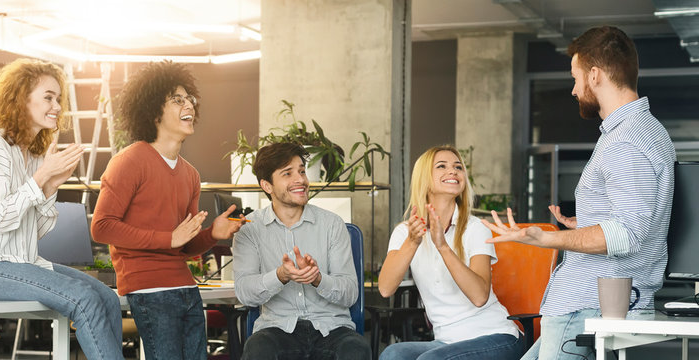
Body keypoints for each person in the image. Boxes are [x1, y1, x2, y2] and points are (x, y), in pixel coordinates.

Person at [482, 26, 676, 360]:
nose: (573, 90)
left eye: (576, 77)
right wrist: (584, 224)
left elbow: (626, 234)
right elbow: (631, 220)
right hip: (589, 308)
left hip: (587, 309)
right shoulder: (645, 132)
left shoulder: (626, 140)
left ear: (596, 75)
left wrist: (544, 240)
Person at [0, 58, 124, 360]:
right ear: (20, 99)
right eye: (48, 97)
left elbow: (36, 230)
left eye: (58, 98)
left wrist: (49, 187)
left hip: (21, 263)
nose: (57, 105)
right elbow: (2, 217)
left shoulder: (30, 155)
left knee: (107, 297)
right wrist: (41, 178)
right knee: (83, 298)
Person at [90, 61, 244, 360]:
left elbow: (182, 246)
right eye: (177, 99)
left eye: (190, 99)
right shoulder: (129, 161)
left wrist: (214, 233)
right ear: (153, 110)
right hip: (148, 290)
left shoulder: (191, 175)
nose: (189, 105)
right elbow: (102, 227)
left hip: (186, 289)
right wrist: (166, 239)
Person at [377, 145, 522, 360]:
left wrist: (443, 246)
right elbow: (386, 288)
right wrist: (412, 242)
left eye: (458, 167)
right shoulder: (404, 232)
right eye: (441, 166)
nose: (453, 171)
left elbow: (480, 296)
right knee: (393, 354)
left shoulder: (475, 228)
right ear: (424, 179)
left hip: (496, 336)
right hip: (446, 341)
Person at [233, 142, 371, 360]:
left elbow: (350, 293)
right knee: (258, 349)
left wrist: (318, 279)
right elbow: (244, 293)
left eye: (301, 171)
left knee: (355, 349)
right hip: (277, 330)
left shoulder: (332, 225)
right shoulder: (249, 230)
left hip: (332, 328)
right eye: (287, 173)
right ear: (267, 185)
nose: (300, 180)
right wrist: (280, 276)